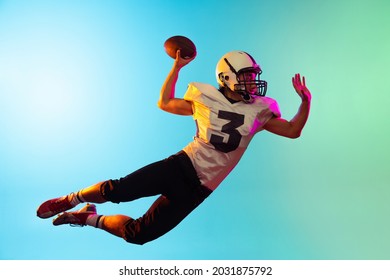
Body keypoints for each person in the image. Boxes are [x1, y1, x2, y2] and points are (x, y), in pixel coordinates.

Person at [37, 49, 311, 245]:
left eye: (253, 76)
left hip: (199, 189)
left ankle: (85, 218)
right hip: (180, 166)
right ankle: (72, 199)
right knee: (117, 190)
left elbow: (292, 131)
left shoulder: (261, 109)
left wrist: (305, 102)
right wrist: (176, 68)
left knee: (138, 235)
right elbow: (165, 102)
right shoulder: (205, 97)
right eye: (247, 75)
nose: (252, 82)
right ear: (227, 77)